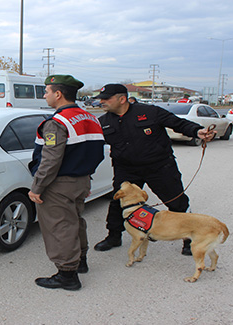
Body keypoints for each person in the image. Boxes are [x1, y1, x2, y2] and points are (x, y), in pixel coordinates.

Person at [92, 84, 216, 256]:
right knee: (117, 203)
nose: (102, 102)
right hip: (127, 170)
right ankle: (114, 236)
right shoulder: (103, 122)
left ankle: (189, 239)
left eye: (106, 98)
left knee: (176, 202)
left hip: (159, 167)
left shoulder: (149, 112)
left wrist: (197, 131)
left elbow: (177, 123)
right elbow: (93, 144)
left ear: (122, 99)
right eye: (101, 98)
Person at [28, 75, 105, 291]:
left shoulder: (57, 123)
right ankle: (80, 262)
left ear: (58, 94)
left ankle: (67, 275)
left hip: (58, 184)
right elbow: (97, 153)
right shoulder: (89, 117)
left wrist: (37, 187)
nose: (45, 95)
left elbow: (50, 159)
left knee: (59, 227)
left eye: (46, 91)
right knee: (74, 221)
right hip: (81, 181)